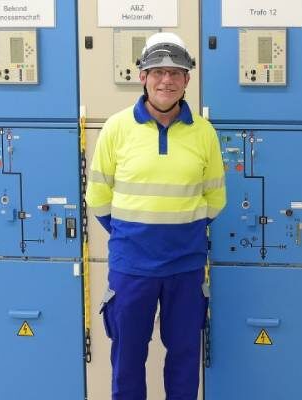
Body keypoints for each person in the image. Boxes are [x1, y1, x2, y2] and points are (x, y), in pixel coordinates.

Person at [86, 32, 226, 400]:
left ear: (187, 81)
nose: (167, 80)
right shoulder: (117, 128)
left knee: (183, 357)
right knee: (128, 358)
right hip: (132, 266)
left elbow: (216, 197)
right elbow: (98, 196)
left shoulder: (204, 133)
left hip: (186, 264)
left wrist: (184, 230)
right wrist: (133, 233)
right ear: (142, 76)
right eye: (158, 71)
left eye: (176, 73)